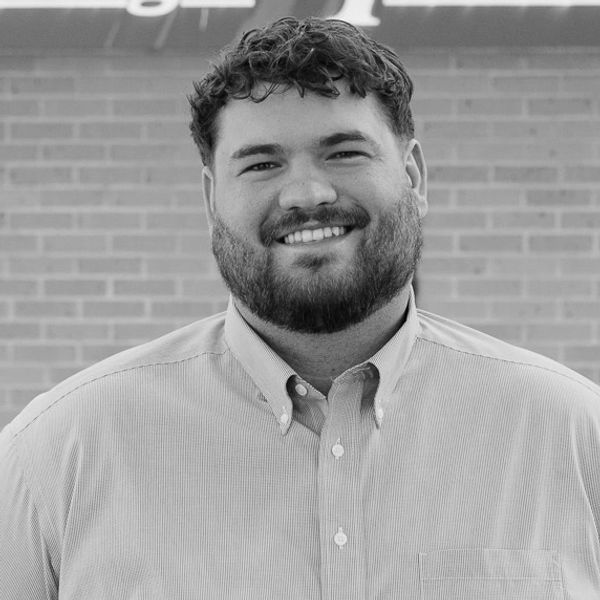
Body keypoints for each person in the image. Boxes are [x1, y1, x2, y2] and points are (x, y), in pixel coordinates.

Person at [1, 16, 599, 599]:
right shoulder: (57, 453)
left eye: (344, 153)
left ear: (414, 175)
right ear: (212, 199)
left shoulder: (573, 434)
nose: (308, 193)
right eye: (262, 163)